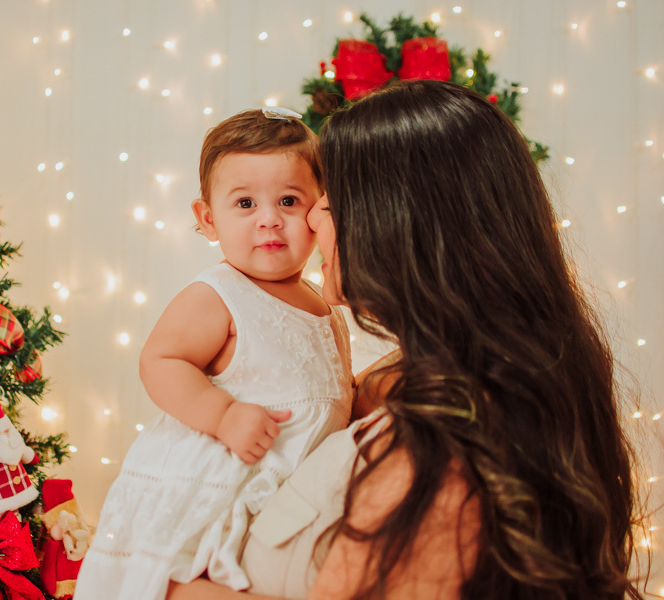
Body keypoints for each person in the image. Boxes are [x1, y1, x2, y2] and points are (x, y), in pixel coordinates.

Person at [167, 79, 640, 599]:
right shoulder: (435, 379)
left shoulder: (439, 459)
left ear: (397, 225)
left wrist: (164, 589)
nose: (311, 217)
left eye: (327, 200)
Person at [73, 108, 356, 600]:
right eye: (245, 203)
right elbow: (161, 361)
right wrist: (222, 413)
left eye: (288, 200)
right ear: (208, 219)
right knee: (178, 577)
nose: (269, 218)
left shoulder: (326, 304)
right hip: (212, 484)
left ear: (317, 211)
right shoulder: (220, 294)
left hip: (281, 493)